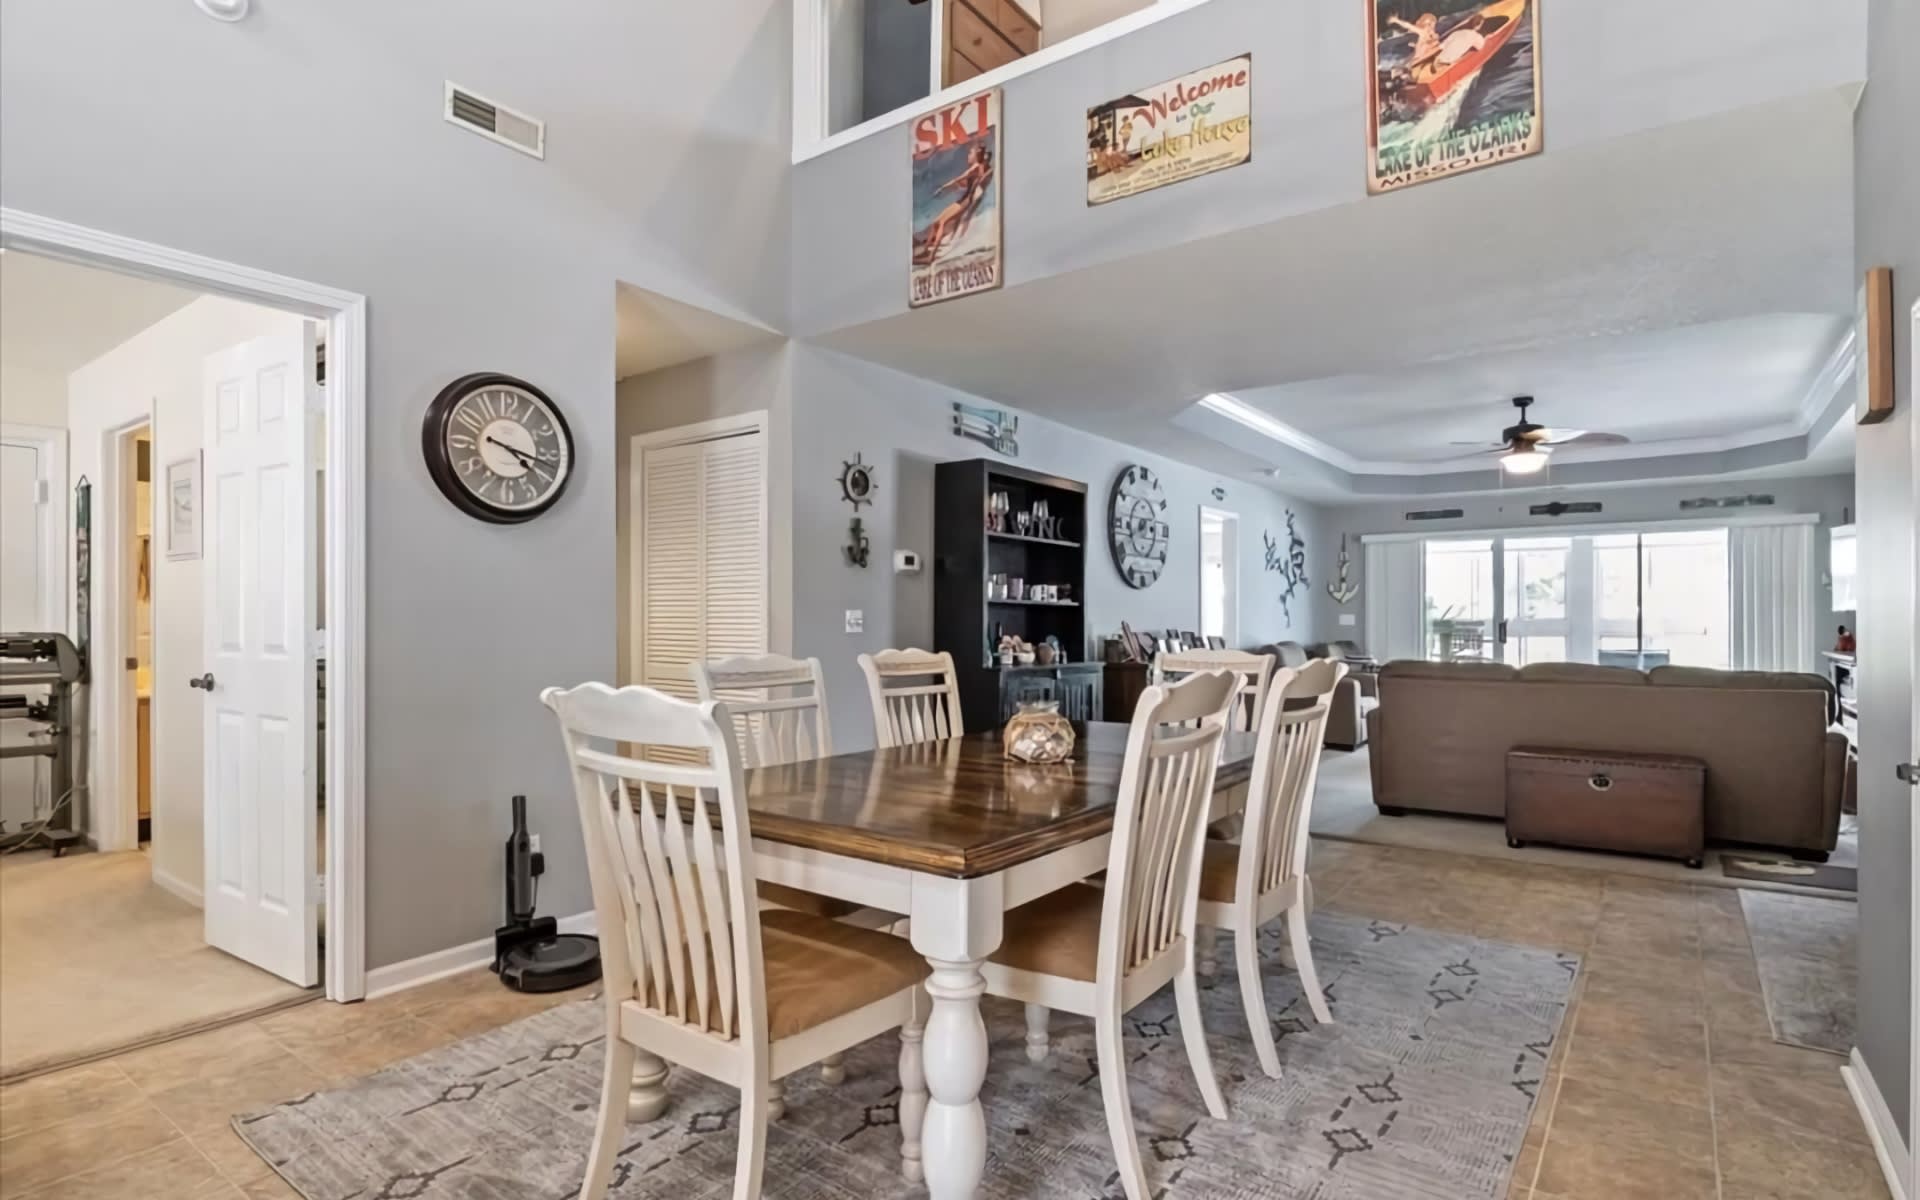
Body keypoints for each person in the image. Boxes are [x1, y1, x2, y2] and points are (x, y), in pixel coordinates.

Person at [913, 141, 993, 265]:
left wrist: (944, 187)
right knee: (936, 222)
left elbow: (960, 178)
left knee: (942, 222)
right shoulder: (977, 168)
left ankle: (930, 257)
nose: (968, 156)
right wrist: (949, 187)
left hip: (965, 202)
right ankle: (926, 251)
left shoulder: (976, 167)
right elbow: (964, 181)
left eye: (970, 153)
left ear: (977, 155)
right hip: (962, 200)